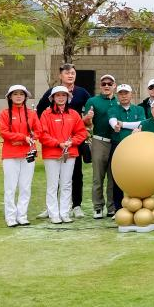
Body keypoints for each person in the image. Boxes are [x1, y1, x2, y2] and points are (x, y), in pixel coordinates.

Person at [36, 63, 90, 220]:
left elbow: (82, 130)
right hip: (52, 150)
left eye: (72, 72)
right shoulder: (47, 112)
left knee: (70, 181)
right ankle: (53, 212)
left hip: (71, 149)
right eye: (67, 73)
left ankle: (69, 210)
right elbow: (42, 129)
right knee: (53, 184)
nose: (61, 98)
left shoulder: (76, 107)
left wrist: (71, 141)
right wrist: (57, 142)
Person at [0, 84, 41, 227]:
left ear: (25, 97)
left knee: (25, 186)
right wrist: (23, 137)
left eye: (21, 94)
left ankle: (22, 215)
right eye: (15, 94)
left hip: (28, 154)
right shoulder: (4, 113)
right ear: (10, 97)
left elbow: (39, 130)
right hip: (10, 154)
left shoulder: (32, 113)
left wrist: (33, 136)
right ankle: (10, 217)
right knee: (10, 187)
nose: (18, 96)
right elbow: (4, 132)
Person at [106, 84, 146, 213]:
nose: (124, 96)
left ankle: (138, 205)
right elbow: (112, 120)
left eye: (126, 93)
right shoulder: (113, 108)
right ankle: (118, 208)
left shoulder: (139, 109)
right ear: (117, 95)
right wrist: (115, 126)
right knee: (117, 177)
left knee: (136, 175)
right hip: (118, 145)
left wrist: (122, 124)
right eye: (121, 93)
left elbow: (141, 123)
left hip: (135, 147)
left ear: (131, 94)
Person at [82, 74, 117, 218]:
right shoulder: (92, 101)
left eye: (109, 83)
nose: (106, 86)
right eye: (104, 84)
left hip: (116, 142)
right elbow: (86, 123)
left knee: (113, 177)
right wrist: (88, 118)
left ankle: (112, 207)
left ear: (114, 85)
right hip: (99, 141)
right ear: (100, 86)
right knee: (98, 177)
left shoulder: (119, 101)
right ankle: (98, 207)